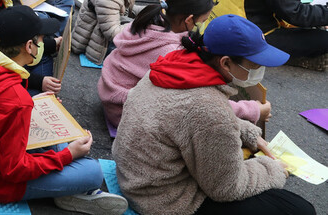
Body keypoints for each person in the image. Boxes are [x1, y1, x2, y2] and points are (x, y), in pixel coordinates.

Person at [114, 15, 314, 215]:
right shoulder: (209, 109)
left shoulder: (173, 66)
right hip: (164, 200)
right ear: (226, 63)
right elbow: (226, 188)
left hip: (134, 177)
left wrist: (248, 133)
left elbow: (184, 116)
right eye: (255, 65)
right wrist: (272, 169)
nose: (260, 71)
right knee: (300, 210)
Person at [0, 5, 127, 214]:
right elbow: (13, 170)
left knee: (55, 135)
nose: (43, 44)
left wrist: (33, 103)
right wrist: (68, 155)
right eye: (41, 39)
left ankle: (67, 185)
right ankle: (69, 192)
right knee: (92, 173)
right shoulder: (16, 100)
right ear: (29, 46)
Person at [98, 0, 265, 130]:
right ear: (189, 19)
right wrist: (252, 110)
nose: (203, 25)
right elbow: (199, 102)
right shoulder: (169, 53)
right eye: (203, 20)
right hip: (125, 114)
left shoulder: (148, 21)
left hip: (111, 95)